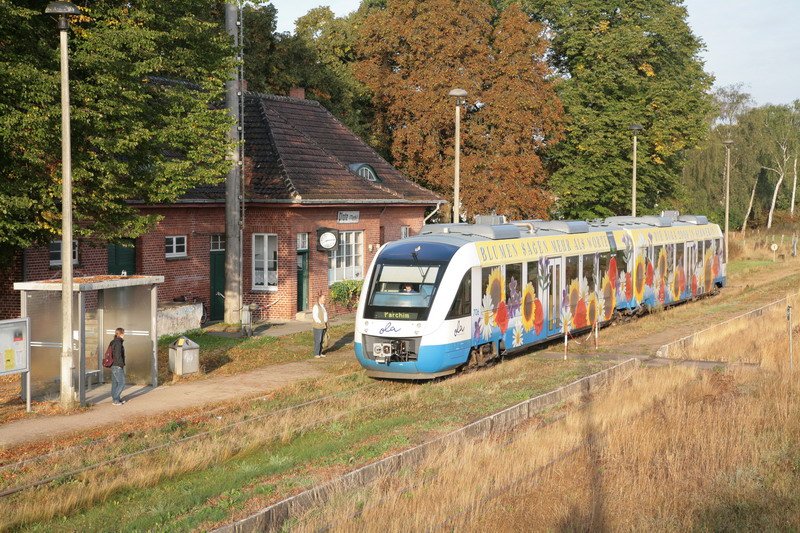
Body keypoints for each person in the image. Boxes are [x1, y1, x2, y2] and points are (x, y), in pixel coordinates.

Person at [110, 327, 126, 405]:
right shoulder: (118, 342)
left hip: (113, 365)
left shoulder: (113, 341)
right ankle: (116, 400)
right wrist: (121, 365)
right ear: (121, 334)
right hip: (117, 365)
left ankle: (116, 399)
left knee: (115, 383)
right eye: (123, 333)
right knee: (122, 383)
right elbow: (118, 355)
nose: (124, 334)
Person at [312, 293, 328, 358]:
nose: (325, 299)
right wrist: (320, 322)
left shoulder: (323, 306)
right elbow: (315, 316)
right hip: (318, 326)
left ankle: (320, 352)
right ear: (319, 299)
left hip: (323, 325)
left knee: (322, 339)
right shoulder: (316, 306)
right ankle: (316, 354)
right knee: (318, 340)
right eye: (323, 298)